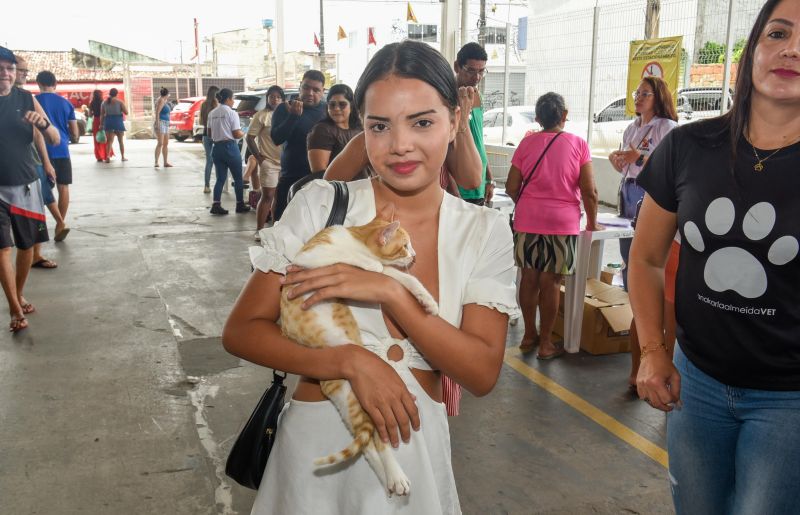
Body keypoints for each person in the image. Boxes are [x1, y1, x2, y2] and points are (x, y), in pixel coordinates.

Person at [223, 40, 518, 514]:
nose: (400, 144)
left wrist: (391, 292)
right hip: (316, 463)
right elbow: (241, 331)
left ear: (455, 121)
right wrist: (350, 362)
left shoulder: (482, 230)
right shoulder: (323, 206)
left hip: (415, 460)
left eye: (422, 122)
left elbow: (481, 372)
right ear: (362, 128)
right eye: (380, 126)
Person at [631, 1, 800, 513]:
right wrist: (654, 351)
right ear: (752, 48)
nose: (791, 49)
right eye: (778, 33)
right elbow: (644, 260)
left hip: (788, 399)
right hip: (695, 380)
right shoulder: (687, 147)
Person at [505, 92, 601, 359]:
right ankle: (546, 343)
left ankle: (528, 335)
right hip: (563, 223)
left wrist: (529, 206)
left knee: (529, 277)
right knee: (551, 281)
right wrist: (592, 222)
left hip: (528, 221)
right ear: (564, 115)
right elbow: (589, 190)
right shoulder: (579, 144)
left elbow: (512, 186)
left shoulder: (526, 145)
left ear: (537, 118)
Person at [608, 76, 677, 386]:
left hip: (653, 200)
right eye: (637, 93)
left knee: (660, 284)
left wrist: (642, 158)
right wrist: (618, 160)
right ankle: (637, 368)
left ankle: (659, 362)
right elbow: (627, 167)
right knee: (632, 265)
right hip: (630, 196)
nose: (638, 98)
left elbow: (668, 167)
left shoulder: (667, 128)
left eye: (645, 94)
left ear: (658, 96)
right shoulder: (632, 127)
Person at [0, 47, 60, 331]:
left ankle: (19, 292)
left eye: (10, 68)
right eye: (0, 68)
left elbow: (56, 138)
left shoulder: (27, 100)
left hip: (25, 184)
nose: (6, 73)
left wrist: (44, 123)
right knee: (3, 249)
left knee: (26, 247)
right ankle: (14, 308)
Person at [14, 59, 67, 268]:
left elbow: (44, 135)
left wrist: (46, 162)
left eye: (25, 71)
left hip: (29, 164)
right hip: (10, 169)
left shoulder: (27, 99)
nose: (22, 74)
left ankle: (37, 252)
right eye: (21, 70)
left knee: (37, 205)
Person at [270, 70, 327, 221]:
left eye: (316, 90)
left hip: (320, 180)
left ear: (323, 92)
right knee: (282, 225)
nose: (310, 93)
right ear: (300, 87)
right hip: (290, 178)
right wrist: (293, 117)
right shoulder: (285, 108)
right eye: (306, 88)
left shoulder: (327, 110)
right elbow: (276, 138)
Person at [453, 42, 495, 206]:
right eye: (471, 70)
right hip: (457, 187)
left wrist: (489, 178)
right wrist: (452, 190)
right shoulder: (447, 97)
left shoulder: (478, 96)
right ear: (457, 66)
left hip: (479, 184)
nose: (476, 77)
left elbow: (479, 142)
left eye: (481, 71)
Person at [35, 71, 78, 233]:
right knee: (63, 187)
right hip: (62, 151)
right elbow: (74, 133)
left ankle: (40, 227)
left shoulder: (32, 101)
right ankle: (61, 224)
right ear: (56, 84)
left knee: (40, 191)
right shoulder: (66, 104)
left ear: (38, 84)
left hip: (39, 153)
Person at [245, 85, 284, 234]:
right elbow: (249, 138)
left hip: (285, 163)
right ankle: (259, 230)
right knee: (267, 196)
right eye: (272, 97)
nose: (275, 99)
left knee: (279, 198)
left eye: (278, 97)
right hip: (269, 162)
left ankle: (275, 229)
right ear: (267, 98)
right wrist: (260, 159)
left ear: (282, 99)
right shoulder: (261, 115)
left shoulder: (287, 114)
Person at [207, 88, 249, 215]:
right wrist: (244, 132)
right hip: (230, 148)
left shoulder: (212, 113)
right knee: (238, 178)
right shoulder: (232, 113)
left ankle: (216, 204)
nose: (233, 101)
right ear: (228, 99)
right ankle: (240, 204)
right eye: (233, 98)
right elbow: (236, 134)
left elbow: (209, 134)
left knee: (220, 178)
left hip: (217, 148)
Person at [307, 83, 363, 176]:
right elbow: (319, 173)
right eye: (332, 105)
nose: (336, 109)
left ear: (351, 106)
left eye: (342, 104)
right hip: (337, 188)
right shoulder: (322, 130)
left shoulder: (359, 128)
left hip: (363, 186)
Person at [199, 86, 219, 194]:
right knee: (218, 161)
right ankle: (218, 185)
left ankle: (206, 186)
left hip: (205, 134)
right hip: (216, 135)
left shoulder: (203, 104)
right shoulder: (216, 105)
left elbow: (201, 121)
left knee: (209, 161)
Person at [101, 88, 128, 162]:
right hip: (118, 122)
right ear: (117, 94)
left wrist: (101, 124)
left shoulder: (104, 102)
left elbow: (102, 115)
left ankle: (107, 157)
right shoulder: (120, 102)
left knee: (109, 141)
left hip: (108, 121)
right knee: (120, 141)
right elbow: (126, 112)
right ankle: (122, 157)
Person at [89, 90, 113, 162]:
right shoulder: (104, 102)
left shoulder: (92, 103)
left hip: (96, 121)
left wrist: (93, 113)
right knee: (106, 138)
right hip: (105, 120)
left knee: (97, 139)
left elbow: (90, 115)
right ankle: (106, 155)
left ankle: (99, 156)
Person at [153, 87, 173, 168]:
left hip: (166, 123)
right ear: (167, 94)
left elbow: (167, 113)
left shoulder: (164, 100)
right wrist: (157, 124)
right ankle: (156, 162)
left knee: (166, 143)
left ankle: (165, 162)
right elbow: (157, 113)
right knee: (160, 143)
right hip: (161, 122)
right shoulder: (161, 100)